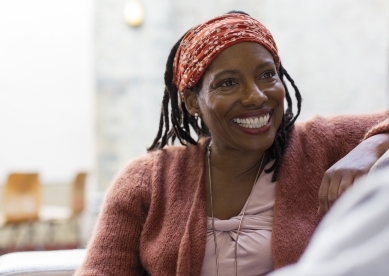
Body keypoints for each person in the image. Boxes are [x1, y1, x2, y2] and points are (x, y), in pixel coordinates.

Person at [75, 11, 389, 276]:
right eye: (228, 83)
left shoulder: (321, 145)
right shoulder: (146, 181)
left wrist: (371, 146)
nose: (256, 96)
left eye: (267, 75)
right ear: (191, 102)